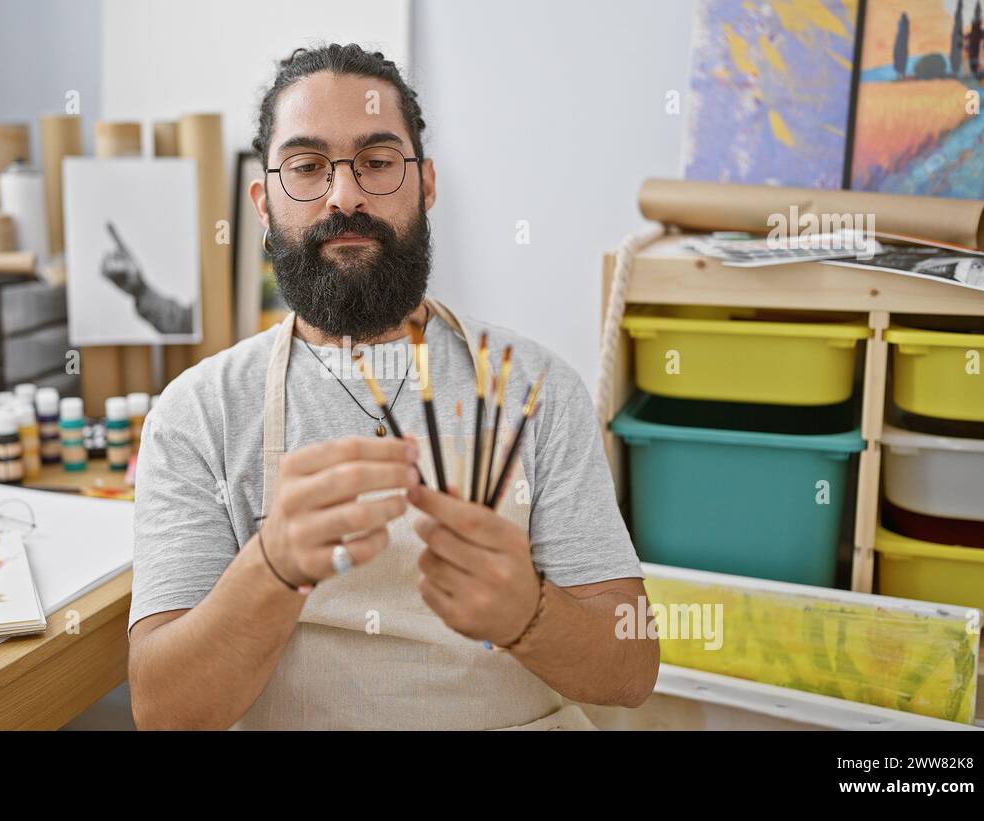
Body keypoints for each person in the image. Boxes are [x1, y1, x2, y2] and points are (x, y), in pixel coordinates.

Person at [127, 43, 658, 730]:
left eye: (376, 162)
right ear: (262, 202)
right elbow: (165, 710)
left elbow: (632, 671)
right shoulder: (197, 416)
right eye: (307, 166)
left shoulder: (536, 390)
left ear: (426, 184)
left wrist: (528, 613)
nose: (343, 195)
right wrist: (274, 566)